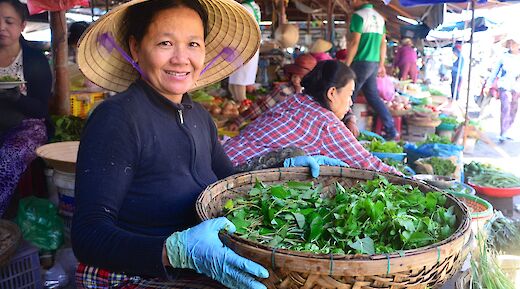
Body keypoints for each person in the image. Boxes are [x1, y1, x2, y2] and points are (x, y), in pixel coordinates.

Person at [71, 1, 344, 288]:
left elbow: (231, 182)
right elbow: (88, 236)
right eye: (165, 43)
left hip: (197, 266)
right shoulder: (117, 118)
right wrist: (174, 251)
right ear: (136, 48)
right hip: (135, 275)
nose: (181, 58)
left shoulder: (198, 116)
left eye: (193, 44)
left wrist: (283, 164)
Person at [224, 60, 400, 175]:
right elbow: (368, 165)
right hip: (232, 176)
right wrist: (411, 181)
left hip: (219, 161)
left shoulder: (296, 100)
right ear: (332, 93)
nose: (349, 104)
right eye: (349, 95)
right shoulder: (325, 123)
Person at [0, 0, 52, 216]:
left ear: (21, 25)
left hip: (28, 127)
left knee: (8, 157)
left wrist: (15, 98)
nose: (1, 27)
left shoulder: (35, 60)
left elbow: (41, 110)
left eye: (8, 21)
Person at [345, 0, 396, 140]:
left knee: (348, 95)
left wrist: (346, 65)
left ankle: (342, 130)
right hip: (373, 63)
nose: (349, 2)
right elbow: (382, 44)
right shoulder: (380, 18)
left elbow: (355, 42)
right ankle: (391, 130)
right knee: (372, 96)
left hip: (361, 62)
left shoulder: (358, 16)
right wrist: (381, 64)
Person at [228, 53, 317, 131]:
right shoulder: (283, 90)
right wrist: (238, 122)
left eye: (300, 77)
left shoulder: (314, 96)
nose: (296, 80)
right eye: (295, 76)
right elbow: (260, 107)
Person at [485, 36, 520, 143]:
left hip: (516, 86)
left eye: (515, 44)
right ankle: (503, 132)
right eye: (511, 43)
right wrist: (488, 84)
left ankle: (508, 129)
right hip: (504, 85)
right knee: (506, 107)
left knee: (514, 108)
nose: (512, 46)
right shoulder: (503, 57)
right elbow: (495, 72)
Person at [227, 0, 261, 102]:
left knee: (239, 81)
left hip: (243, 48)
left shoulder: (244, 7)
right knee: (237, 80)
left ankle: (242, 106)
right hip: (250, 46)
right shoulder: (255, 7)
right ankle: (240, 104)